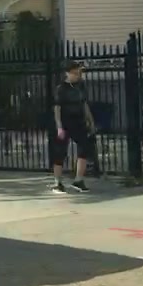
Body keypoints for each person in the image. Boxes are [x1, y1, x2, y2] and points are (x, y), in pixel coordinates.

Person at [51, 61, 97, 194]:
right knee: (60, 152)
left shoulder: (81, 86)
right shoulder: (61, 89)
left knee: (84, 148)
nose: (78, 75)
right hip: (65, 122)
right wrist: (59, 126)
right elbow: (57, 108)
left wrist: (91, 121)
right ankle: (57, 182)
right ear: (67, 73)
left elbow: (84, 104)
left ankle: (79, 180)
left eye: (79, 73)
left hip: (79, 121)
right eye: (75, 73)